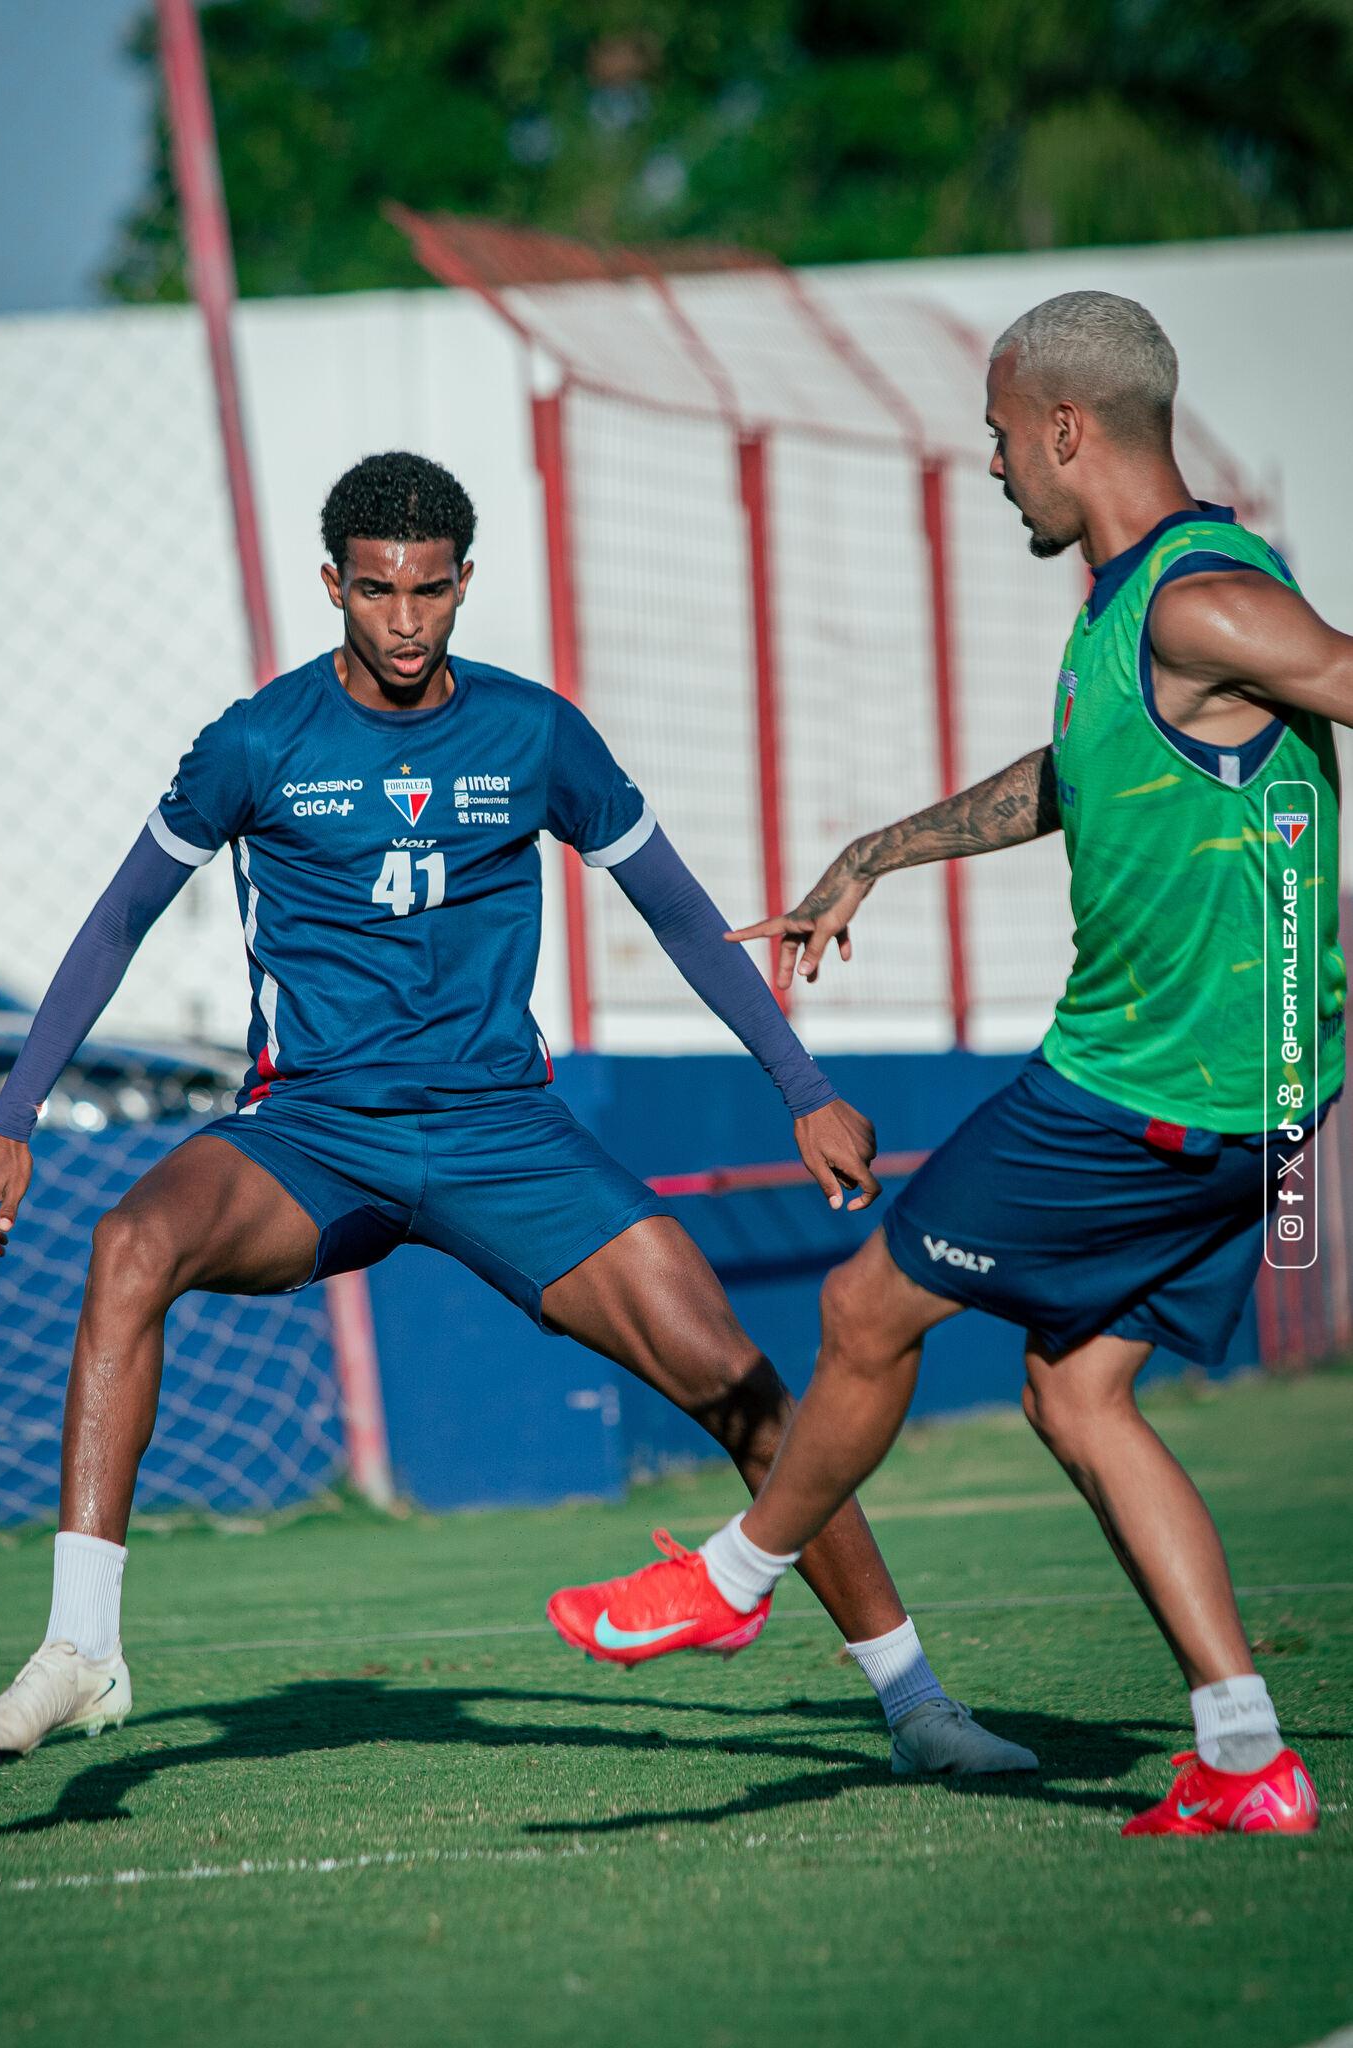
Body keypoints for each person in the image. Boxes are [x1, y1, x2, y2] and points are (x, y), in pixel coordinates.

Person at [0, 450, 1033, 1775]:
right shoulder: (255, 742)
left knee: (737, 1380)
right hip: (311, 1136)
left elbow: (679, 913)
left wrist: (802, 1091)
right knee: (129, 1244)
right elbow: (120, 918)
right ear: (333, 584)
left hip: (503, 1135)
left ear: (466, 583)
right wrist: (16, 1113)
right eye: (376, 591)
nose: (404, 620)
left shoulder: (535, 733)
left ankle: (918, 1705)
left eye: (431, 591)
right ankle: (82, 1651)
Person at [548, 293, 1346, 1838]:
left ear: (1067, 428)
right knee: (1078, 1394)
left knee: (865, 1303)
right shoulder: (1134, 616)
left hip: (1152, 1089)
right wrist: (882, 853)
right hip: (1236, 1100)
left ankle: (732, 1579)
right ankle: (1249, 1757)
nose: (991, 466)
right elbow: (1088, 768)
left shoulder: (1198, 597)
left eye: (997, 435)